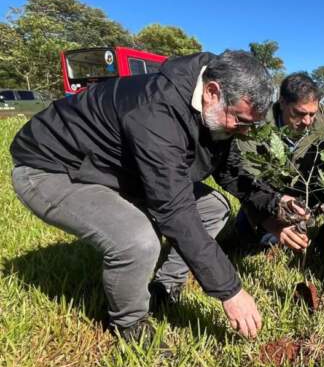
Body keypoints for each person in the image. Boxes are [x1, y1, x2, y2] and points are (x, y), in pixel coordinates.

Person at [11, 50, 276, 341]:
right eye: (240, 121)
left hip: (112, 169)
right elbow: (174, 211)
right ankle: (129, 325)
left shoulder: (207, 108)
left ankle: (163, 289)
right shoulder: (156, 112)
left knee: (213, 207)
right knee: (138, 240)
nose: (244, 132)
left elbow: (229, 169)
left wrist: (270, 208)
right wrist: (230, 291)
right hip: (52, 169)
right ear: (213, 92)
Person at [233, 72, 324, 253]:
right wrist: (272, 214)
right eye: (299, 113)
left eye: (312, 114)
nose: (307, 121)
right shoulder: (255, 129)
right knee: (246, 239)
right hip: (269, 198)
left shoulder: (323, 134)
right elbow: (247, 180)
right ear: (282, 103)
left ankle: (317, 241)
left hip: (305, 197)